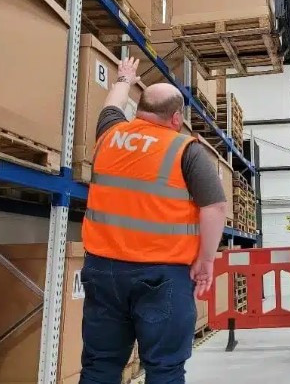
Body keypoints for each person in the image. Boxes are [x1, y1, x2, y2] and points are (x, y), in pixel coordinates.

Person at [79, 57, 227, 384]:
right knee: (164, 368)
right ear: (176, 118)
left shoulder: (110, 134)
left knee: (99, 364)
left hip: (103, 271)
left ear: (140, 108)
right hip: (162, 276)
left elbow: (112, 104)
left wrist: (125, 79)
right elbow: (215, 208)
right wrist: (205, 261)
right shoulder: (185, 150)